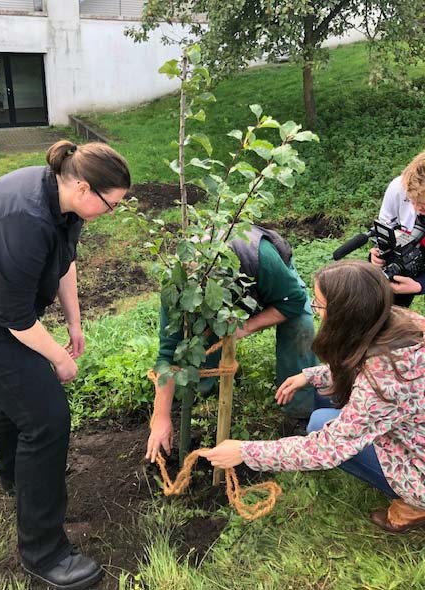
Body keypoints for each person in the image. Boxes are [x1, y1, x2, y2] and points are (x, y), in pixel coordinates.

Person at [0, 140, 131, 589]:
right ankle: (43, 554)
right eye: (111, 204)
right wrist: (57, 360)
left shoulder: (64, 201)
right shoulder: (24, 216)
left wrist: (74, 323)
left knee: (19, 398)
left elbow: (65, 263)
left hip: (1, 312)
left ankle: (16, 479)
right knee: (46, 416)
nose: (112, 212)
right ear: (84, 187)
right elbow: (12, 316)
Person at [199, 260, 425, 533]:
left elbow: (326, 449)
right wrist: (311, 375)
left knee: (319, 424)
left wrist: (244, 451)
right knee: (322, 398)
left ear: (346, 314)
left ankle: (415, 505)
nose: (316, 311)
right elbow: (364, 363)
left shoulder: (385, 381)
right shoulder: (402, 323)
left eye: (319, 305)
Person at [146, 225, 319, 463]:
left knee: (300, 330)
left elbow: (293, 301)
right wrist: (161, 417)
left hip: (271, 283)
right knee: (203, 342)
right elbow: (168, 351)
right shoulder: (175, 288)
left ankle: (300, 413)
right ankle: (201, 390)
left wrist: (245, 327)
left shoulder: (260, 257)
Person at [370, 151, 425, 306]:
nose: (415, 208)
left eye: (423, 205)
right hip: (407, 253)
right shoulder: (398, 187)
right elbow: (387, 229)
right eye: (411, 200)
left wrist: (420, 285)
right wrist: (379, 254)